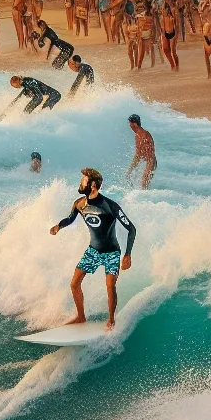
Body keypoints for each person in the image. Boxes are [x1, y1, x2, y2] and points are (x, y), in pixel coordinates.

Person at [49, 167, 136, 329]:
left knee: (110, 286)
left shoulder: (110, 206)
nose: (80, 183)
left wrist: (127, 254)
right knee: (74, 284)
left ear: (93, 185)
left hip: (111, 252)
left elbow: (131, 229)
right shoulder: (79, 204)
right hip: (93, 251)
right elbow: (69, 219)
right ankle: (81, 317)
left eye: (83, 180)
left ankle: (111, 320)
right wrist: (58, 226)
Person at [125, 114, 157, 189]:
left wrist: (149, 168)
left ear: (135, 124)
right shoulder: (139, 135)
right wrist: (130, 169)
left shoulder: (143, 135)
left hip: (151, 162)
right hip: (149, 161)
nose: (129, 126)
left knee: (143, 185)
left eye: (130, 123)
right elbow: (138, 155)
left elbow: (148, 154)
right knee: (142, 185)